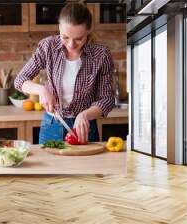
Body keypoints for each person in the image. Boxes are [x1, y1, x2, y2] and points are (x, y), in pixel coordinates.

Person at [14, 3, 115, 144]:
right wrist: (41, 90)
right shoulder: (48, 47)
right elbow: (20, 80)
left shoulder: (100, 54)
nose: (71, 44)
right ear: (59, 28)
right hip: (51, 126)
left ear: (88, 31)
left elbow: (107, 99)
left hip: (84, 127)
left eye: (79, 38)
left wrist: (85, 115)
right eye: (65, 37)